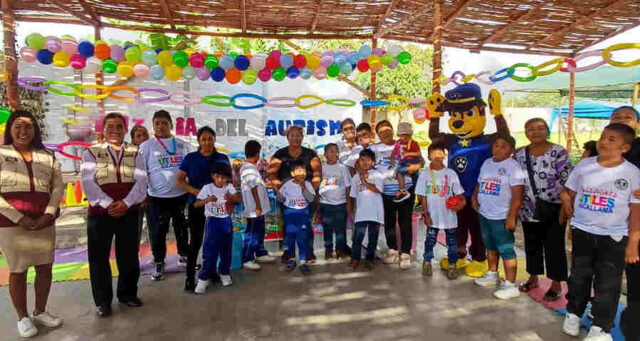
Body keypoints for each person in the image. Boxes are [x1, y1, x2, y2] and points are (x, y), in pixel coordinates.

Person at [560, 123, 640, 340]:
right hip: (583, 231)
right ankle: (573, 313)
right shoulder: (584, 165)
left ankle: (601, 327)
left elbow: (636, 209)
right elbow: (569, 191)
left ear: (624, 148)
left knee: (608, 282)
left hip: (614, 237)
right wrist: (566, 200)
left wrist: (633, 242)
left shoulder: (632, 173)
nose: (603, 142)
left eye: (611, 139)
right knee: (578, 277)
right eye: (602, 137)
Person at [428, 84, 510, 276]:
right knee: (457, 227)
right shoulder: (453, 141)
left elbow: (505, 138)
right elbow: (434, 138)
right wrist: (435, 116)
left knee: (478, 229)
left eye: (466, 114)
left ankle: (480, 259)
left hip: (479, 195)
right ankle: (459, 254)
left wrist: (498, 115)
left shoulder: (488, 141)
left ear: (481, 112)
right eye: (454, 116)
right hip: (456, 194)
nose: (458, 121)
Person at [0, 111, 65, 337]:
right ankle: (23, 317)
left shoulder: (48, 156)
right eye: (18, 126)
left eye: (28, 127)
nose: (23, 131)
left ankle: (40, 311)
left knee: (45, 267)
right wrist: (19, 218)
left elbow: (58, 187)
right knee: (18, 270)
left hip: (45, 222)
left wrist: (49, 213)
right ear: (9, 129)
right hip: (11, 224)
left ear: (35, 131)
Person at [81, 112, 147, 318]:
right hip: (100, 214)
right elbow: (87, 183)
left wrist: (125, 204)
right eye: (110, 126)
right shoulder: (91, 152)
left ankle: (127, 295)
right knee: (99, 258)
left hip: (129, 212)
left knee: (128, 256)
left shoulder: (136, 153)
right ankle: (103, 302)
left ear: (125, 129)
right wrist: (109, 204)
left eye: (119, 126)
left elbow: (142, 182)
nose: (115, 130)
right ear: (103, 129)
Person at [514, 118, 572, 300]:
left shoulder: (558, 152)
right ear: (525, 133)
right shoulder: (519, 154)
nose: (536, 132)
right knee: (532, 244)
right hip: (528, 207)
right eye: (531, 129)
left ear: (547, 130)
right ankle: (533, 277)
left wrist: (565, 206)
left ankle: (556, 284)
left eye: (540, 128)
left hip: (553, 207)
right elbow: (516, 180)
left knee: (554, 245)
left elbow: (567, 180)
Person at [176, 127, 230, 292]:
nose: (207, 142)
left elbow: (229, 180)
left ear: (214, 140)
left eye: (210, 139)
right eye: (203, 139)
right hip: (198, 206)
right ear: (199, 141)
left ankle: (211, 271)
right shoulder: (191, 158)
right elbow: (179, 180)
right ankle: (190, 277)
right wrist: (196, 192)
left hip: (218, 209)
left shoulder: (221, 158)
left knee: (216, 241)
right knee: (196, 242)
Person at [138, 110, 191, 281]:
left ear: (171, 125)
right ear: (153, 126)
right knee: (158, 231)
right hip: (156, 198)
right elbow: (140, 173)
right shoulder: (147, 146)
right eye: (157, 123)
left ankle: (184, 256)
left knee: (182, 229)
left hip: (181, 197)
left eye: (164, 123)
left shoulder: (182, 145)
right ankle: (159, 261)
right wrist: (142, 195)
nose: (161, 126)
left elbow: (189, 169)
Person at [472, 134, 524, 300]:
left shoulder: (513, 166)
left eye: (503, 146)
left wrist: (511, 217)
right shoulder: (487, 162)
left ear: (511, 150)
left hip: (501, 215)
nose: (499, 149)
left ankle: (510, 284)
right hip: (485, 213)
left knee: (506, 249)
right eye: (496, 145)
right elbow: (480, 183)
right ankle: (492, 273)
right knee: (490, 246)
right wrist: (474, 197)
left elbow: (517, 196)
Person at [371, 120, 423, 270]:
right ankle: (392, 250)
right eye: (381, 132)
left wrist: (417, 165)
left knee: (405, 222)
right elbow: (363, 161)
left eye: (387, 130)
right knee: (389, 223)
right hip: (386, 192)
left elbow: (421, 160)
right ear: (378, 135)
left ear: (393, 130)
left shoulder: (406, 143)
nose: (385, 133)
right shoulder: (374, 149)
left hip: (406, 190)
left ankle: (405, 253)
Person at [268, 125, 321, 262]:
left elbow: (317, 174)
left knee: (307, 224)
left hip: (305, 195)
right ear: (287, 137)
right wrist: (281, 189)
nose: (295, 138)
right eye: (292, 135)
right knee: (287, 224)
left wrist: (311, 191)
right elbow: (272, 173)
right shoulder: (280, 154)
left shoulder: (311, 154)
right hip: (287, 197)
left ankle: (309, 252)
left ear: (302, 137)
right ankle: (287, 252)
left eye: (298, 135)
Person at [415, 141, 466, 280]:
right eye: (433, 153)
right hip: (433, 216)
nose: (437, 156)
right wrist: (426, 214)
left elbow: (459, 193)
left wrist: (462, 202)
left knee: (452, 243)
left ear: (444, 155)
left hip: (449, 216)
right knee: (430, 240)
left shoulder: (451, 173)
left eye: (440, 153)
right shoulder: (425, 174)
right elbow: (422, 196)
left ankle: (452, 265)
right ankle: (427, 261)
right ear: (429, 156)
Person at [193, 163, 241, 294]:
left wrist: (230, 198)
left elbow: (237, 200)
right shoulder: (207, 188)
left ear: (228, 178)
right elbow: (196, 204)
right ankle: (203, 278)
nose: (220, 180)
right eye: (217, 176)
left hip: (226, 221)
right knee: (210, 251)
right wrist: (207, 200)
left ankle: (224, 272)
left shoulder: (229, 187)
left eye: (224, 177)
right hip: (212, 221)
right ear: (212, 176)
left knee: (226, 249)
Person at [241, 140, 276, 271]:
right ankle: (247, 258)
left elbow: (257, 184)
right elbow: (253, 188)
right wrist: (258, 206)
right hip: (255, 209)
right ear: (257, 153)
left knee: (260, 231)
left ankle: (260, 252)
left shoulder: (252, 167)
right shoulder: (248, 168)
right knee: (252, 233)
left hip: (259, 208)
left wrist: (265, 185)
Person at [276, 160, 316, 275]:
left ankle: (303, 261)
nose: (302, 173)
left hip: (302, 213)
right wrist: (283, 212)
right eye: (299, 171)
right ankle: (292, 259)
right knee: (290, 237)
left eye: (303, 171)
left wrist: (303, 188)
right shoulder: (287, 185)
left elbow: (311, 199)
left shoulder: (308, 184)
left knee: (302, 238)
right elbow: (280, 198)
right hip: (290, 213)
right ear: (292, 174)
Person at [348, 149, 384, 270]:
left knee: (373, 237)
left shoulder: (377, 174)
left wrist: (365, 182)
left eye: (368, 160)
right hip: (361, 213)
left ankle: (370, 258)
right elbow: (353, 195)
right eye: (362, 159)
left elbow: (378, 189)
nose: (364, 162)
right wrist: (352, 210)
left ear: (373, 162)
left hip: (375, 213)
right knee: (357, 237)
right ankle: (355, 258)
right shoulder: (355, 178)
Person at [319, 143, 351, 260]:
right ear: (325, 154)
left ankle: (340, 250)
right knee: (327, 228)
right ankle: (328, 249)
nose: (335, 153)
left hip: (340, 204)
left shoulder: (342, 168)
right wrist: (318, 203)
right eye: (331, 151)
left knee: (340, 229)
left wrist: (348, 203)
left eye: (336, 151)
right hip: (325, 204)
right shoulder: (321, 167)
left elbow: (348, 186)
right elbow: (317, 185)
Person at [392, 122, 422, 202]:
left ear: (411, 135)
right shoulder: (397, 143)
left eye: (407, 135)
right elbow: (394, 151)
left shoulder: (413, 143)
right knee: (399, 172)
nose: (405, 137)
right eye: (402, 135)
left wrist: (408, 154)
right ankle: (403, 190)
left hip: (412, 161)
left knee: (416, 181)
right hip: (402, 162)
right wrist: (392, 157)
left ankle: (418, 198)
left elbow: (418, 154)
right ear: (398, 135)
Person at [130, 125, 149, 244]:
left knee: (154, 227)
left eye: (145, 134)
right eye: (139, 136)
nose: (143, 138)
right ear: (134, 140)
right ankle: (133, 256)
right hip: (137, 198)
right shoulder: (131, 155)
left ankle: (157, 257)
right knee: (135, 228)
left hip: (153, 196)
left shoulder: (153, 152)